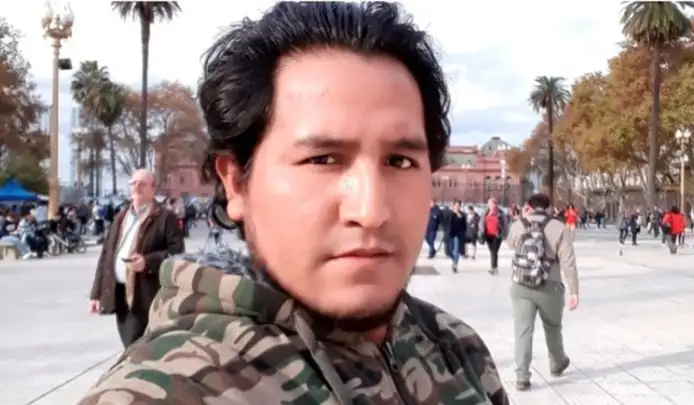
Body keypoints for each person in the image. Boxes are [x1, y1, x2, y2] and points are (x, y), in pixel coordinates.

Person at [77, 3, 508, 405]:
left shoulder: (457, 349)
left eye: (400, 161)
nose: (371, 211)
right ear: (236, 183)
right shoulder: (170, 389)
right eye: (322, 160)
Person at [87, 169, 185, 348]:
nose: (136, 187)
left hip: (145, 295)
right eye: (133, 183)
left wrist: (147, 262)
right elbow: (106, 255)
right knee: (131, 345)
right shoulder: (121, 217)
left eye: (142, 184)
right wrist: (96, 294)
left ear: (153, 189)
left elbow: (177, 253)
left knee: (136, 346)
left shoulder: (165, 218)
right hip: (120, 293)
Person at [505, 193, 579, 391]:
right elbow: (568, 261)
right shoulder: (559, 228)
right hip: (550, 285)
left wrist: (522, 217)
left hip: (521, 285)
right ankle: (557, 363)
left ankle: (522, 376)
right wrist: (574, 291)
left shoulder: (519, 225)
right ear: (548, 208)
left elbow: (510, 243)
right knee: (553, 327)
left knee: (523, 330)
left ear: (529, 206)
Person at [478, 197, 507, 275]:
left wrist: (505, 235)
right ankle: (495, 267)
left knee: (493, 250)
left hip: (497, 235)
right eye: (490, 204)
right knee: (493, 251)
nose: (492, 205)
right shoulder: (485, 212)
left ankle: (493, 268)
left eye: (493, 204)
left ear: (496, 204)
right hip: (488, 235)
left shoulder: (501, 213)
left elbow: (505, 224)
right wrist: (482, 230)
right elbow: (481, 222)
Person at [446, 199, 467, 273]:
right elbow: (445, 222)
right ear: (453, 206)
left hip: (457, 235)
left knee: (456, 250)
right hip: (450, 235)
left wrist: (459, 216)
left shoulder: (462, 214)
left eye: (459, 206)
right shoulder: (449, 213)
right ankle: (454, 260)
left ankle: (455, 264)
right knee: (449, 252)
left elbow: (464, 226)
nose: (457, 207)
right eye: (456, 205)